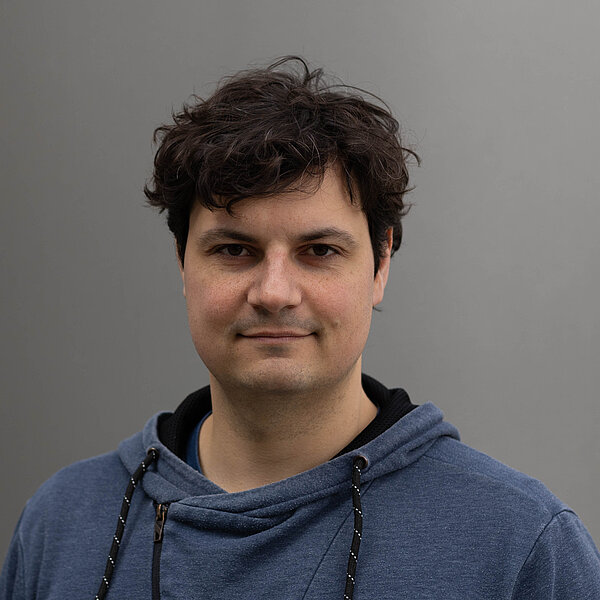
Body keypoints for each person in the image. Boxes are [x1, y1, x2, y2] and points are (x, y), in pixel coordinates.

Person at [1, 55, 599, 600]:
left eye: (319, 251)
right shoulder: (61, 524)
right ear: (182, 263)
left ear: (380, 265)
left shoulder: (519, 545)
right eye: (235, 250)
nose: (274, 292)